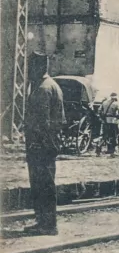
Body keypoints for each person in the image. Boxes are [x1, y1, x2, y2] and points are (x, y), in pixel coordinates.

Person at [23, 52, 65, 236]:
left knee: (42, 184)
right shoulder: (52, 85)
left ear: (38, 68)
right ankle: (45, 221)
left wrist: (36, 145)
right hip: (48, 145)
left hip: (40, 146)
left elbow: (42, 123)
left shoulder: (42, 89)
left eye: (30, 68)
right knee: (46, 183)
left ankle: (47, 224)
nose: (28, 72)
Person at [97, 93, 119, 157]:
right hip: (113, 122)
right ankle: (112, 152)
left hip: (105, 121)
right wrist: (118, 117)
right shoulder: (117, 103)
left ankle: (98, 148)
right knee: (113, 136)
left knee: (105, 136)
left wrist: (103, 117)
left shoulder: (104, 102)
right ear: (115, 97)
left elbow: (99, 110)